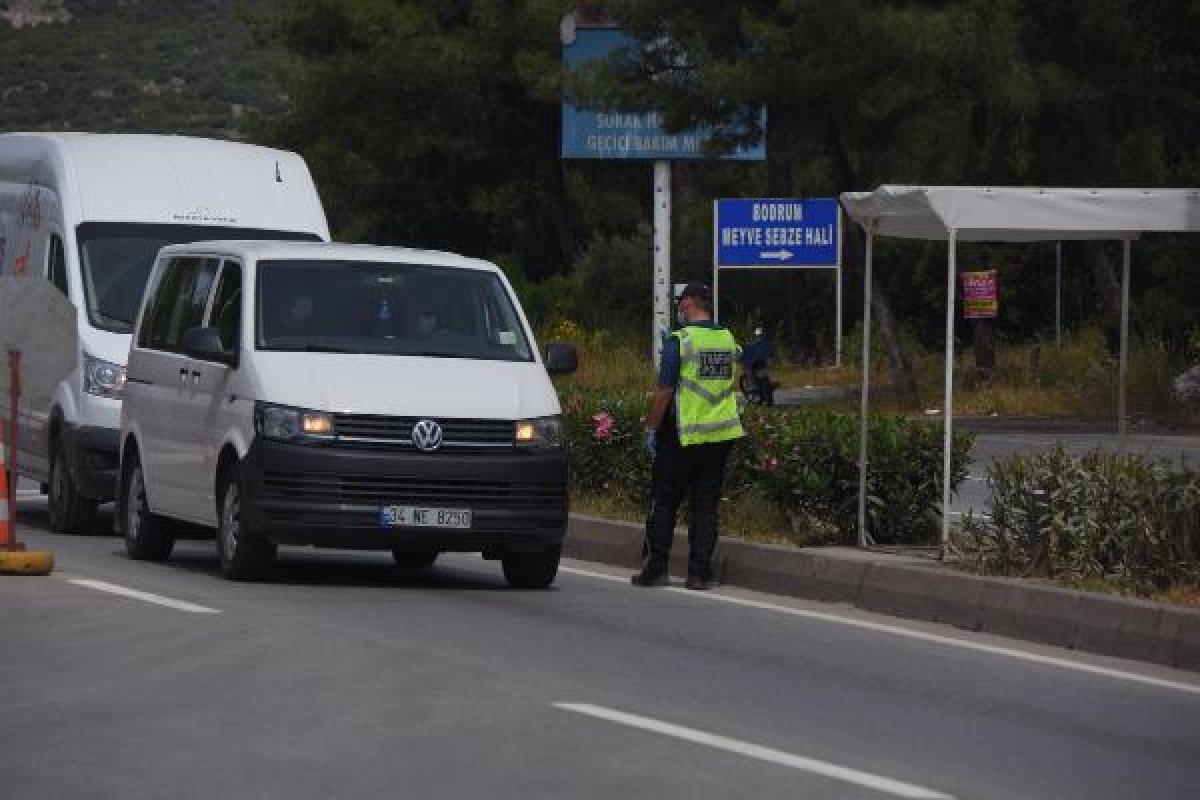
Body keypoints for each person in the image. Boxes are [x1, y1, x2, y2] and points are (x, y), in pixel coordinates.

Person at [633, 282, 745, 590]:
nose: (680, 307)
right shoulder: (727, 338)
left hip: (682, 434)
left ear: (690, 303)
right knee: (706, 506)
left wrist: (651, 427)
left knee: (664, 501)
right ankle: (699, 574)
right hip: (720, 434)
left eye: (682, 302)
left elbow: (665, 389)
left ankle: (656, 569)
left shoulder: (680, 341)